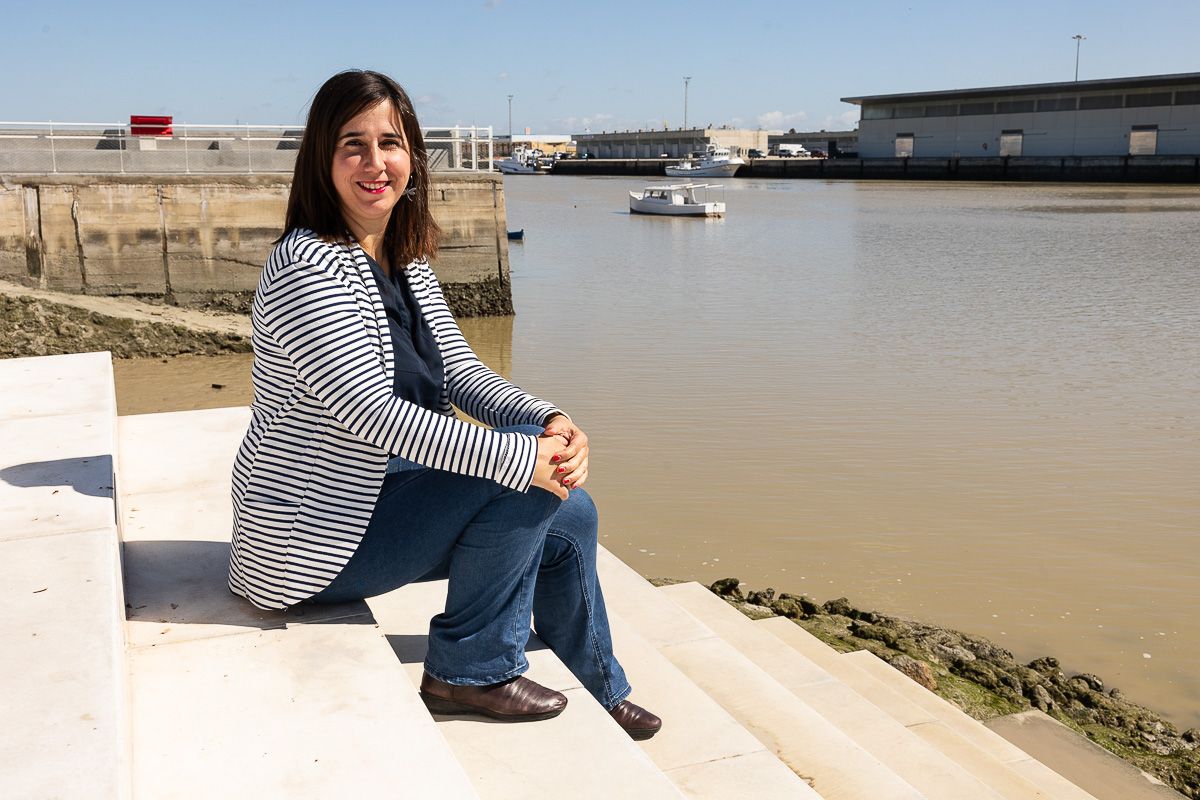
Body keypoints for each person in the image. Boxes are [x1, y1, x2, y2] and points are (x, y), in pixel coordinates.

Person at [226, 69, 660, 740]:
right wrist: (520, 458)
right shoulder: (308, 265)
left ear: (413, 158)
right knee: (526, 484)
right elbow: (369, 412)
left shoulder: (402, 255)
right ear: (322, 158)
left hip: (375, 497)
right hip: (309, 536)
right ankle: (469, 670)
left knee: (569, 504)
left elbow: (458, 371)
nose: (376, 164)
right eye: (353, 145)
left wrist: (548, 419)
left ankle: (599, 682)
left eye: (391, 143)